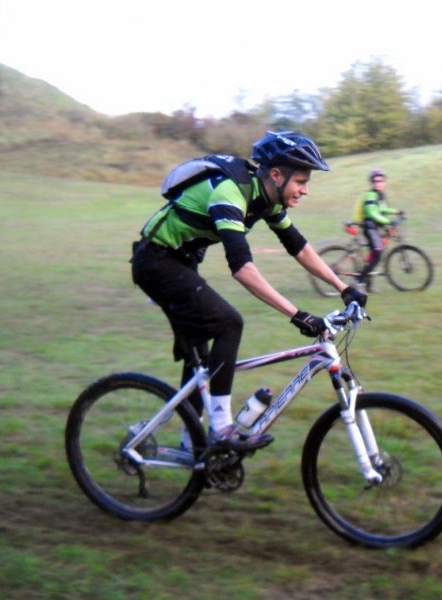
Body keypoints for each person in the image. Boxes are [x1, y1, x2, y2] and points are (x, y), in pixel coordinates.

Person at [131, 131, 367, 451]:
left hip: (182, 264)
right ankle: (221, 430)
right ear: (275, 175)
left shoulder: (265, 198)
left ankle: (194, 448)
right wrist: (298, 315)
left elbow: (298, 246)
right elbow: (242, 268)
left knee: (201, 359)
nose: (305, 190)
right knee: (229, 323)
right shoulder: (231, 193)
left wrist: (344, 288)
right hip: (155, 261)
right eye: (300, 181)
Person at [355, 168, 403, 291]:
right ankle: (358, 281)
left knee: (374, 256)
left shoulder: (380, 195)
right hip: (369, 227)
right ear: (372, 183)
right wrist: (388, 221)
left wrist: (397, 212)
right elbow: (373, 213)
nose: (378, 183)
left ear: (384, 182)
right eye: (375, 181)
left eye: (381, 180)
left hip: (375, 227)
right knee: (377, 252)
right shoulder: (371, 195)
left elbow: (383, 209)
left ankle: (368, 285)